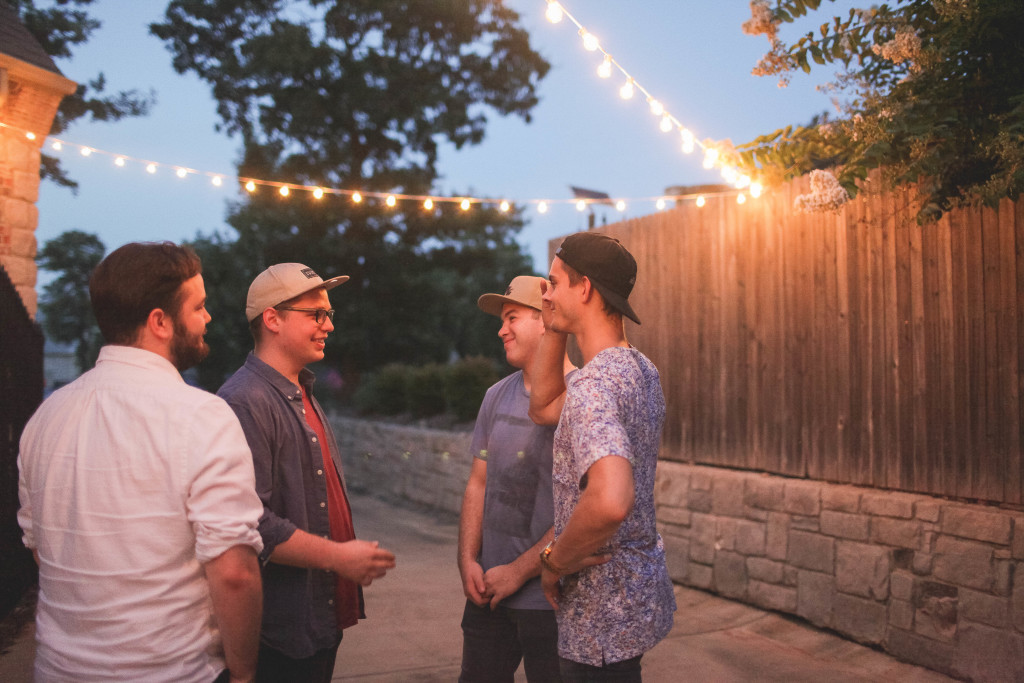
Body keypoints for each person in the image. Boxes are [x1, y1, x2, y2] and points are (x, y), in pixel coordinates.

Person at [17, 241, 264, 682]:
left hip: (57, 670)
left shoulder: (45, 417)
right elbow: (234, 574)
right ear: (160, 322)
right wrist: (244, 674)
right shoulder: (201, 417)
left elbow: (42, 551)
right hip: (171, 672)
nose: (208, 318)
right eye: (199, 307)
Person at [218, 262, 396, 683]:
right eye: (316, 314)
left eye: (329, 314)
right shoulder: (244, 402)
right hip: (280, 632)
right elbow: (249, 524)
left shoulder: (301, 390)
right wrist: (338, 556)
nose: (328, 325)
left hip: (319, 618)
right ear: (272, 319)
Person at [528, 232, 676, 681]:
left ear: (586, 288)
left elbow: (611, 499)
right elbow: (545, 406)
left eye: (553, 283)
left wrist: (555, 561)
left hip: (598, 616)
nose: (546, 295)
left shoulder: (595, 386)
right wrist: (554, 327)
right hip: (631, 607)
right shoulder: (640, 369)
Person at [458, 275, 577, 683]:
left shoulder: (581, 397)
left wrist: (518, 571)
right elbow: (478, 482)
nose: (500, 328)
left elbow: (581, 507)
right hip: (488, 594)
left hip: (550, 601)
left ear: (546, 320)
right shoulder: (495, 396)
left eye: (511, 317)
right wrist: (467, 561)